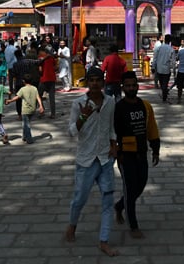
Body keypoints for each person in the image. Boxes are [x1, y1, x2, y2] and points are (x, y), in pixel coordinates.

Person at [64, 67, 119, 257]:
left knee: (108, 200)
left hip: (105, 158)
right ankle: (72, 226)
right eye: (91, 80)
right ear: (87, 82)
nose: (95, 83)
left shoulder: (110, 102)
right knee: (79, 198)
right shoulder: (78, 103)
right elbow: (71, 132)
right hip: (86, 160)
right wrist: (82, 117)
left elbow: (111, 126)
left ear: (103, 82)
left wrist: (114, 145)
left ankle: (103, 240)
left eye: (98, 80)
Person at [113, 71, 160, 239]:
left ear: (138, 87)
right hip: (126, 156)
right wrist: (116, 152)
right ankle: (133, 225)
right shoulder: (118, 108)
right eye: (128, 85)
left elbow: (152, 128)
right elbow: (113, 132)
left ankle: (119, 206)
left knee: (141, 185)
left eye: (134, 85)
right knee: (130, 187)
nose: (131, 88)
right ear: (123, 87)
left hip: (142, 153)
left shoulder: (145, 106)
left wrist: (155, 148)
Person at [6, 73, 44, 144]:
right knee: (25, 123)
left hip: (25, 110)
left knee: (27, 125)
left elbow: (17, 97)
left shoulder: (22, 89)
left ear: (23, 81)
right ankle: (24, 136)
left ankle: (29, 139)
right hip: (33, 109)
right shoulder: (34, 88)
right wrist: (41, 106)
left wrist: (10, 100)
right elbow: (38, 97)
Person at [152, 34, 175, 102]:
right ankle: (164, 92)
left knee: (162, 83)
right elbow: (173, 61)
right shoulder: (171, 49)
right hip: (166, 69)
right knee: (165, 83)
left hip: (159, 68)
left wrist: (153, 66)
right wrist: (174, 70)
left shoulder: (159, 48)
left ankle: (164, 92)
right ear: (170, 41)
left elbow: (155, 57)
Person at [38, 46, 58, 118]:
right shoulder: (52, 58)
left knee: (38, 95)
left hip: (44, 79)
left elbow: (40, 70)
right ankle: (53, 114)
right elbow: (56, 68)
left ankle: (42, 111)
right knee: (52, 97)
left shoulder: (40, 59)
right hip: (52, 79)